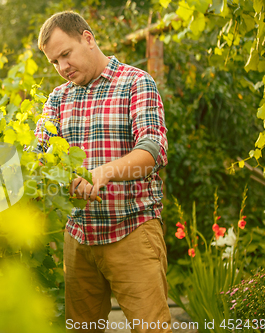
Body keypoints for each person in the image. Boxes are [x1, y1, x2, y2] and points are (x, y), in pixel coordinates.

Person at [34, 11, 171, 333]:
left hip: (132, 230)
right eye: (54, 62)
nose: (62, 67)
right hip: (78, 237)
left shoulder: (135, 82)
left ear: (88, 38)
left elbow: (153, 149)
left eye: (66, 55)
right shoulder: (57, 98)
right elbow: (39, 152)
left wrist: (104, 172)